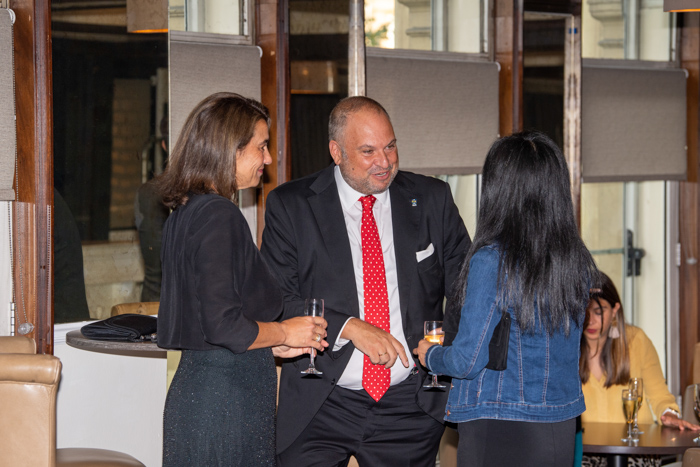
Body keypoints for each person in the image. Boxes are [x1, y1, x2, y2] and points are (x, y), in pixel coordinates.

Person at [260, 96, 471, 466]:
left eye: (390, 146)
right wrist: (350, 327)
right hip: (321, 402)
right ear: (336, 152)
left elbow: (467, 290)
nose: (385, 162)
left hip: (410, 406)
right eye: (369, 151)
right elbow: (277, 301)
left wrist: (443, 354)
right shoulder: (292, 206)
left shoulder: (432, 199)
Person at [155, 92, 329, 467]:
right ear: (230, 150)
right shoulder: (220, 215)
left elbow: (210, 322)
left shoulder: (183, 213)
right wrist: (285, 333)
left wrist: (269, 343)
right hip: (226, 405)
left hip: (203, 395)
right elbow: (224, 326)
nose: (268, 158)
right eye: (261, 147)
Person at [415, 130, 598, 467]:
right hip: (561, 422)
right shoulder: (577, 262)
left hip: (499, 422)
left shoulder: (492, 260)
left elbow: (467, 362)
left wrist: (432, 355)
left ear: (500, 189)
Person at [580, 272, 699, 442]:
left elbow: (660, 396)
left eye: (599, 312)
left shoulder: (636, 341)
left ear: (615, 310)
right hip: (586, 452)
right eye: (584, 312)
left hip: (635, 450)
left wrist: (669, 414)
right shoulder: (564, 347)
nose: (590, 321)